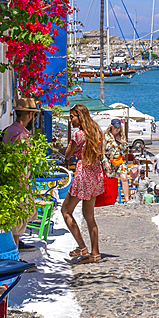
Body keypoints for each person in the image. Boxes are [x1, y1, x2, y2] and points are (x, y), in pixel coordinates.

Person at [63, 105, 105, 264]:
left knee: (66, 210)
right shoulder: (96, 132)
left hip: (83, 175)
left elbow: (67, 155)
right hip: (95, 174)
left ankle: (82, 247)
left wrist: (70, 145)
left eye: (72, 116)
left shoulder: (79, 135)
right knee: (90, 216)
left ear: (79, 117)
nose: (70, 119)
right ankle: (95, 253)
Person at [2, 97, 41, 252]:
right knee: (18, 220)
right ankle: (15, 251)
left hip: (8, 180)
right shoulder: (21, 136)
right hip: (18, 183)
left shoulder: (9, 130)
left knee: (16, 219)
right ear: (30, 115)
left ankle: (15, 246)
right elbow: (21, 164)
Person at [102, 118, 129, 203]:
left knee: (124, 177)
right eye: (116, 127)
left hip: (120, 159)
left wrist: (122, 142)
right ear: (111, 127)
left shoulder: (121, 136)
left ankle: (127, 200)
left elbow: (125, 151)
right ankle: (112, 199)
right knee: (111, 180)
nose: (117, 129)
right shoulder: (106, 137)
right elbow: (102, 151)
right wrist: (105, 162)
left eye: (119, 127)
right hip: (110, 161)